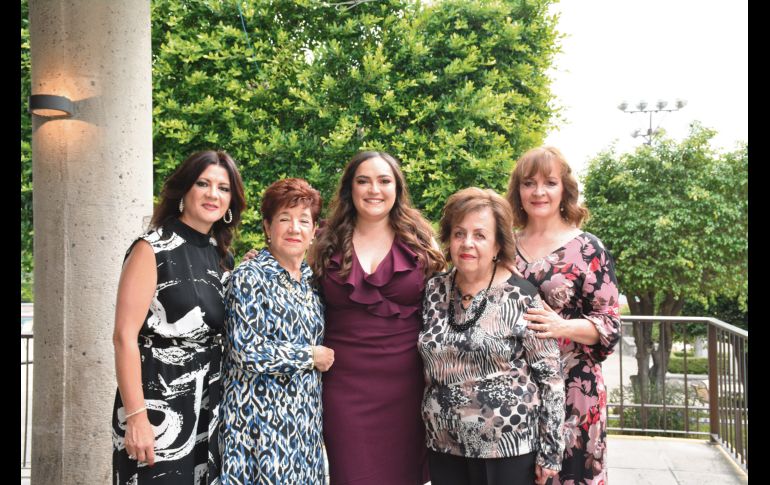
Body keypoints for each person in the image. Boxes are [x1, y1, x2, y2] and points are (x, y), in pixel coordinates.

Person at [310, 151, 446, 485]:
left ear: (397, 188)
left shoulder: (421, 239)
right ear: (350, 189)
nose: (374, 189)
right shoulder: (325, 240)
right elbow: (293, 276)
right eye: (363, 180)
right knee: (352, 473)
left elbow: (455, 287)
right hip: (344, 384)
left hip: (407, 384)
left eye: (384, 181)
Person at [111, 150, 246, 484]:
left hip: (209, 405)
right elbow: (124, 337)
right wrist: (137, 417)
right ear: (184, 190)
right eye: (203, 183)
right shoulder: (152, 248)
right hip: (157, 404)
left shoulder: (222, 256)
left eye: (224, 188)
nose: (213, 194)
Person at [419, 187, 565, 485]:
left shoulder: (522, 297)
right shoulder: (433, 290)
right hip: (444, 443)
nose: (467, 243)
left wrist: (550, 453)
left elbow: (551, 379)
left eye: (480, 235)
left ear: (499, 244)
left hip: (506, 448)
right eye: (459, 234)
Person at [506, 146, 621, 485]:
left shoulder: (588, 248)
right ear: (518, 191)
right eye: (529, 183)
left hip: (575, 391)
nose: (538, 192)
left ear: (564, 189)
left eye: (549, 183)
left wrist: (561, 326)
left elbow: (611, 324)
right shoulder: (503, 246)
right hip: (515, 390)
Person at [219, 178, 335, 483]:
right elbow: (246, 349)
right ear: (268, 227)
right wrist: (309, 356)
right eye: (284, 219)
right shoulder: (249, 276)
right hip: (258, 428)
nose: (294, 228)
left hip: (304, 428)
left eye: (303, 220)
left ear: (313, 232)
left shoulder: (312, 282)